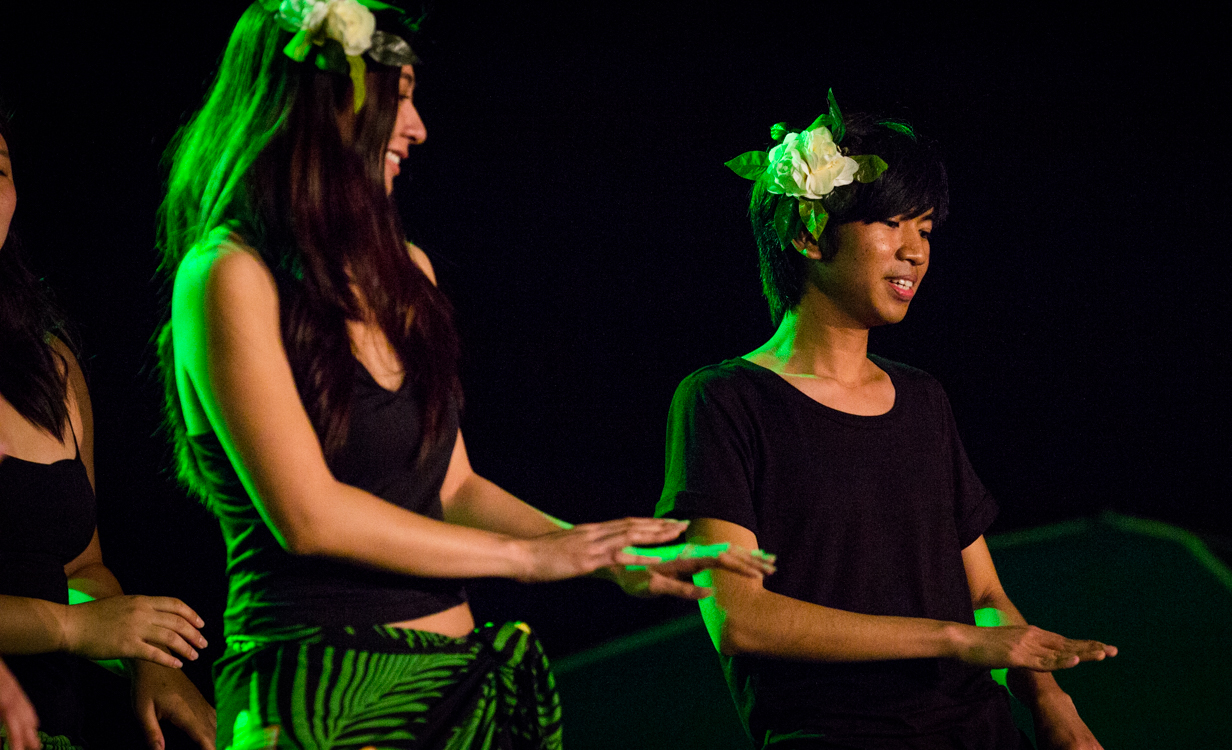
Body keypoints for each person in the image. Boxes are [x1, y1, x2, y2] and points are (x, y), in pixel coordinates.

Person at [155, 3, 773, 748]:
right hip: (320, 693)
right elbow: (308, 516)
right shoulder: (226, 273)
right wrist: (530, 560)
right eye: (399, 95)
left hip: (456, 679)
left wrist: (606, 558)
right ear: (322, 99)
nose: (416, 127)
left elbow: (452, 488)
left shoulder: (407, 272)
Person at [658, 93, 1117, 749]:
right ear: (808, 231)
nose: (915, 251)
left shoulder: (923, 397)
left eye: (925, 230)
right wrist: (955, 639)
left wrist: (1052, 704)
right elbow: (739, 615)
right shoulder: (724, 401)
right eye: (891, 223)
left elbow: (981, 588)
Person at [0, 119, 217, 748]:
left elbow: (80, 566)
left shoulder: (50, 364)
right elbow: (78, 618)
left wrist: (143, 656)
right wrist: (73, 629)